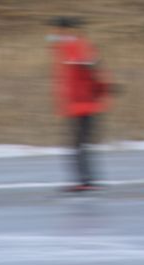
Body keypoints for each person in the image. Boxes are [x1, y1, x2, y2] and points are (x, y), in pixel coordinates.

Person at [49, 16, 111, 191]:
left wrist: (103, 87)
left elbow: (93, 67)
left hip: (83, 105)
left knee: (78, 145)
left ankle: (85, 181)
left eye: (58, 30)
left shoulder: (76, 46)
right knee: (78, 145)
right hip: (76, 105)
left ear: (68, 30)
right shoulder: (67, 48)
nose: (55, 33)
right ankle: (86, 180)